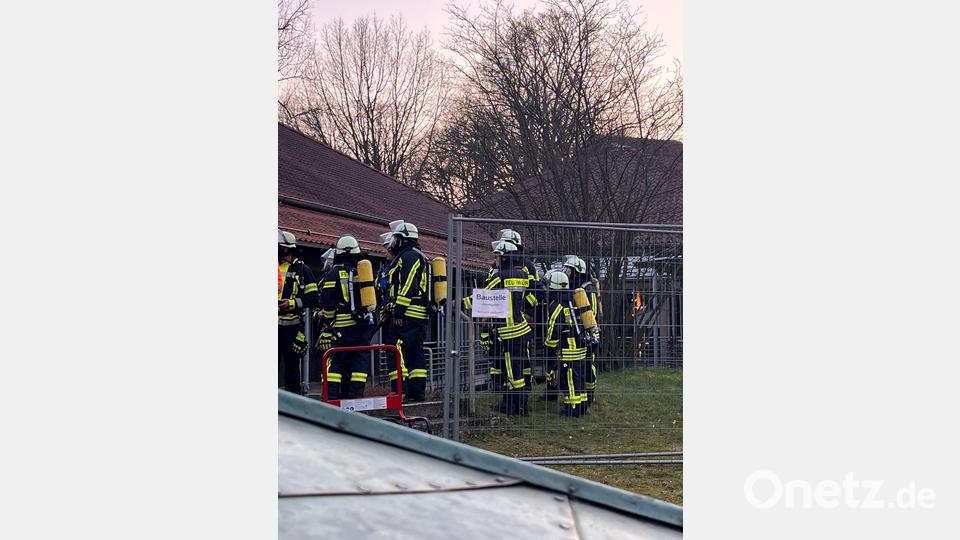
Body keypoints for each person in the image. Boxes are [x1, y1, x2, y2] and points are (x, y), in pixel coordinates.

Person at [471, 240, 537, 416]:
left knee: (513, 373)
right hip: (522, 329)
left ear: (505, 257)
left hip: (509, 333)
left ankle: (518, 409)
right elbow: (531, 298)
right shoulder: (522, 275)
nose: (496, 259)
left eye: (498, 256)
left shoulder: (499, 277)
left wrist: (456, 303)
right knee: (519, 369)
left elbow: (482, 297)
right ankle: (513, 406)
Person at [317, 236, 376, 400]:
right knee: (359, 363)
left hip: (343, 328)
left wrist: (326, 320)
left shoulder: (334, 273)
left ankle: (333, 399)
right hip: (364, 326)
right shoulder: (363, 271)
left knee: (337, 363)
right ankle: (355, 398)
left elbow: (328, 302)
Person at [382, 220, 430, 402]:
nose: (393, 242)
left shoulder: (409, 256)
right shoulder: (409, 255)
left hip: (408, 313)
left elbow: (408, 285)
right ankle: (415, 392)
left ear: (403, 239)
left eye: (396, 238)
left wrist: (399, 313)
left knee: (396, 348)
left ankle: (404, 390)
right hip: (412, 312)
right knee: (413, 351)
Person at [278, 229, 319, 395]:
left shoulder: (302, 270)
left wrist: (293, 303)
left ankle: (292, 403)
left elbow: (313, 297)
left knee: (292, 368)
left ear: (284, 248)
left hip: (292, 328)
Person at [543, 270, 589, 416]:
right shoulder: (574, 300)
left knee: (569, 380)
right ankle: (582, 406)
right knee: (579, 380)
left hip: (569, 350)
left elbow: (553, 330)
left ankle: (573, 409)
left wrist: (549, 346)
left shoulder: (557, 306)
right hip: (581, 347)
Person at [562, 255, 602, 407]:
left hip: (589, 334)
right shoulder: (576, 288)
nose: (566, 273)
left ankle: (589, 397)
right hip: (580, 334)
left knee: (588, 365)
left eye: (569, 270)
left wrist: (589, 334)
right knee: (581, 366)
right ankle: (583, 398)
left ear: (577, 271)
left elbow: (591, 315)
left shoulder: (587, 289)